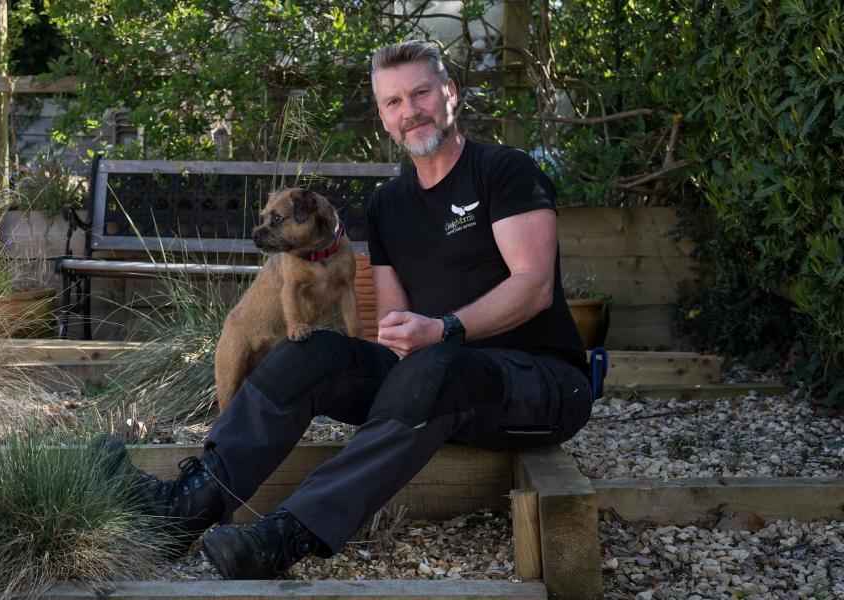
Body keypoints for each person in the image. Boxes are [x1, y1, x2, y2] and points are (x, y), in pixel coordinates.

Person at [97, 39, 593, 580]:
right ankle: (185, 508)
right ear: (383, 117)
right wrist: (409, 338)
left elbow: (534, 285)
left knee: (437, 361)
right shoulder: (387, 205)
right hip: (437, 385)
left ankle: (285, 535)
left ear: (449, 93)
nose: (411, 112)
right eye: (393, 102)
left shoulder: (504, 170)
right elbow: (397, 329)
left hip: (540, 383)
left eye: (421, 93)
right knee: (305, 353)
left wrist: (446, 328)